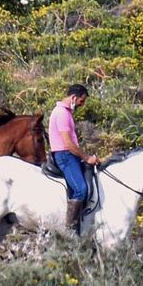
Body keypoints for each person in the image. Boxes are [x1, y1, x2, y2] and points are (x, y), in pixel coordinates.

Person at [48, 83, 98, 233]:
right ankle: (70, 231)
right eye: (81, 101)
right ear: (74, 97)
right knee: (81, 190)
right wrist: (87, 157)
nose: (82, 105)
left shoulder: (65, 112)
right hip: (65, 155)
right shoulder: (62, 113)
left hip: (69, 155)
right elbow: (68, 144)